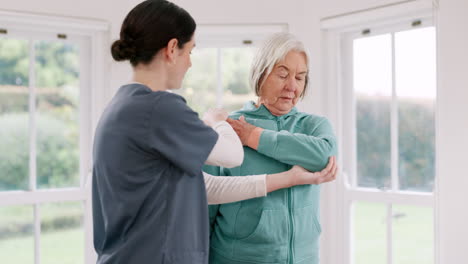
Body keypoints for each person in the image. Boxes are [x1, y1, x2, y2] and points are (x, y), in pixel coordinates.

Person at [92, 1, 337, 263]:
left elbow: (204, 187)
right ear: (173, 48)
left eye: (300, 77)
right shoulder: (161, 109)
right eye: (190, 52)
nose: (190, 64)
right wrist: (217, 121)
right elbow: (230, 159)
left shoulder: (123, 107)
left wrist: (287, 177)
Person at [207, 32, 338, 264]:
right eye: (282, 74)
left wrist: (255, 137)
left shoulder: (314, 126)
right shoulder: (231, 128)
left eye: (300, 77)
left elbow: (323, 157)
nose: (292, 86)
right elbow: (205, 207)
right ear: (261, 73)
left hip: (304, 258)